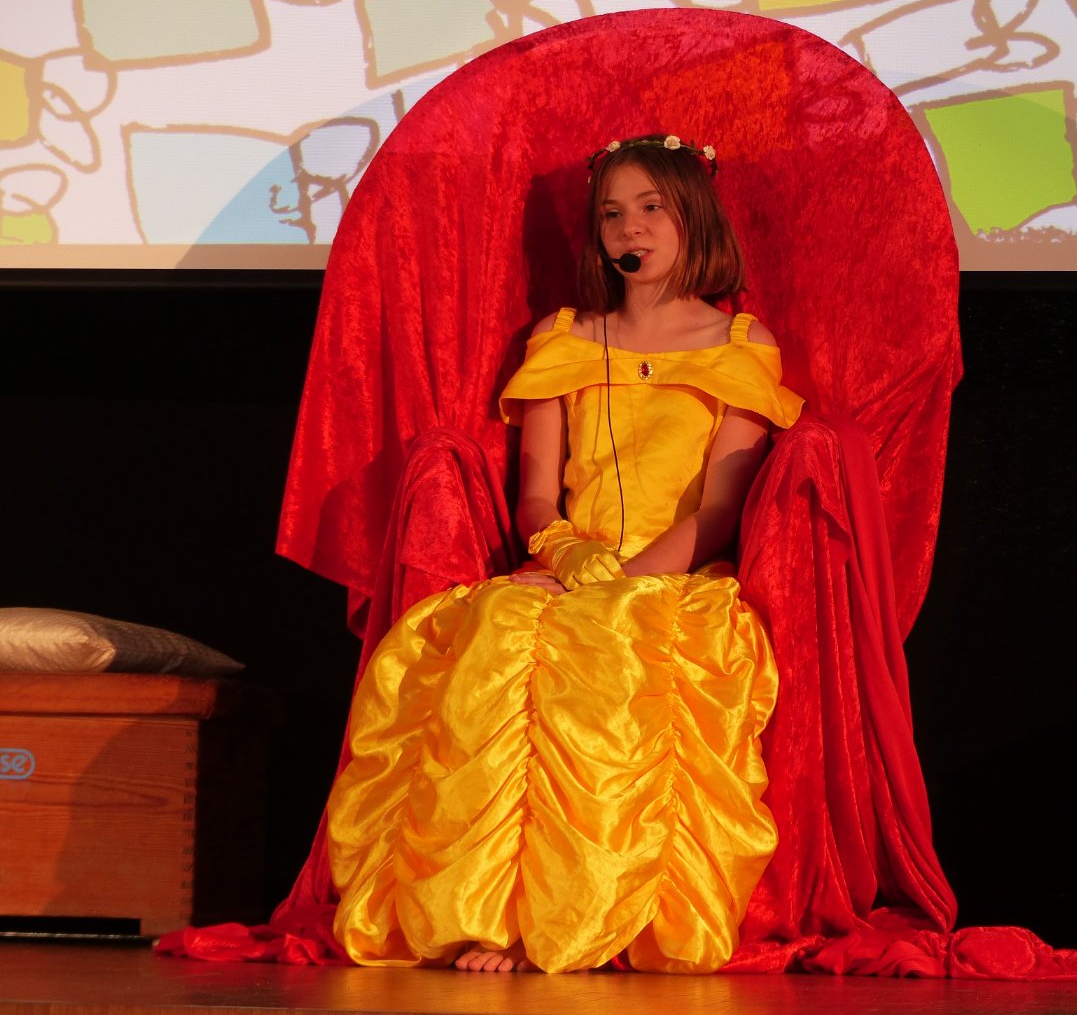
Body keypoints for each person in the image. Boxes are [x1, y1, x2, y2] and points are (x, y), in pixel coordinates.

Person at [323, 133, 804, 975]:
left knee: (607, 648)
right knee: (498, 630)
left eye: (651, 208)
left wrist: (623, 580)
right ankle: (489, 912)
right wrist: (567, 552)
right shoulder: (565, 336)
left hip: (672, 576)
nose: (630, 228)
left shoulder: (739, 341)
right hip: (569, 563)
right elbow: (538, 494)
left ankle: (581, 917)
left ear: (694, 216)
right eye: (612, 213)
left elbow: (721, 509)